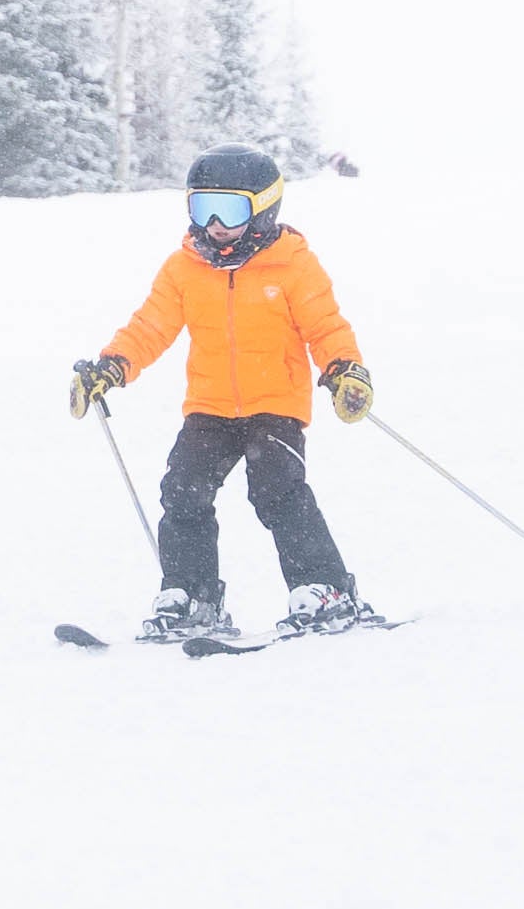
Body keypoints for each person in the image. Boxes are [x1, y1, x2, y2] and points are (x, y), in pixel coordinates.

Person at [66, 146, 384, 642]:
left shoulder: (293, 265)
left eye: (230, 210)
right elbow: (150, 328)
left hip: (274, 406)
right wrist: (112, 367)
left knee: (278, 492)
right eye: (201, 208)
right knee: (183, 491)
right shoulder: (184, 267)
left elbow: (325, 327)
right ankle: (192, 596)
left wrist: (345, 370)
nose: (214, 224)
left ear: (262, 209)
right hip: (210, 408)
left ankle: (324, 590)